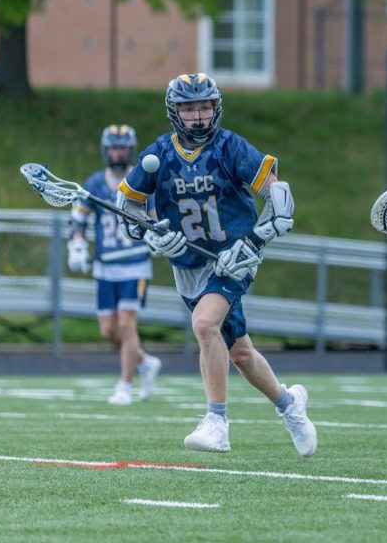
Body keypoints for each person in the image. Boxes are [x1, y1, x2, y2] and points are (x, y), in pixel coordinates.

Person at [115, 72, 317, 457]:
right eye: (189, 108)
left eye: (205, 106)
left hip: (233, 261)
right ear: (175, 112)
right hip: (188, 265)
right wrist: (152, 235)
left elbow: (280, 198)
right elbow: (129, 207)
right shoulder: (160, 155)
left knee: (205, 324)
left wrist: (253, 241)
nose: (198, 116)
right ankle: (290, 405)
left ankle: (216, 423)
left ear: (216, 107)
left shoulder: (230, 148)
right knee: (240, 353)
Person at [67, 124, 163, 406]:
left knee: (126, 323)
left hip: (134, 263)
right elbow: (79, 218)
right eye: (113, 147)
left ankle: (125, 385)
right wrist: (76, 243)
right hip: (106, 265)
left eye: (122, 148)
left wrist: (157, 235)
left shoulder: (140, 180)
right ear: (105, 150)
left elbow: (156, 218)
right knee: (108, 330)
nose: (118, 153)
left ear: (130, 150)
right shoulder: (95, 183)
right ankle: (144, 362)